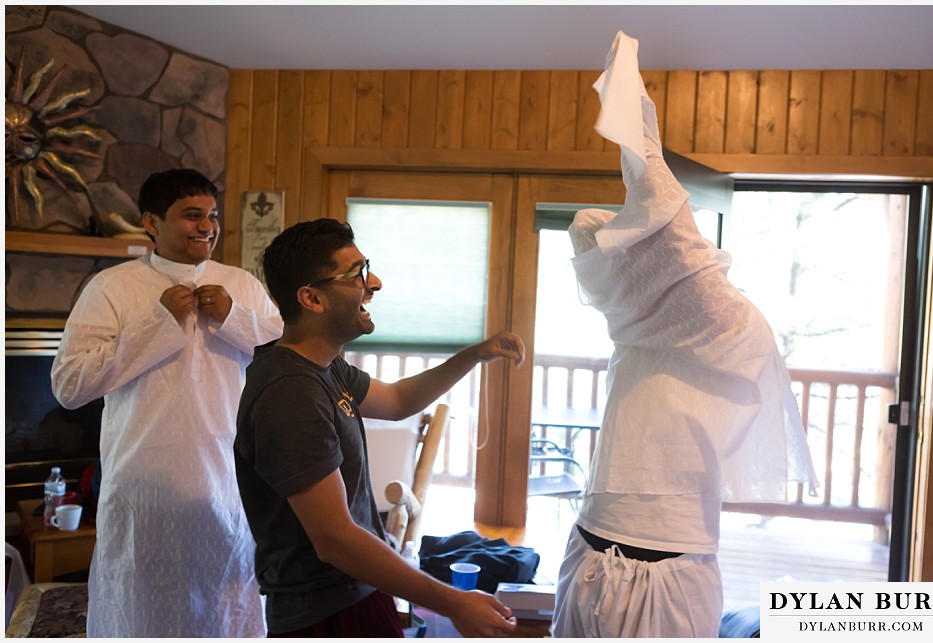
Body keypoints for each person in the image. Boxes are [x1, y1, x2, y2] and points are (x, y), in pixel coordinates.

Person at [551, 32, 820, 638]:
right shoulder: (635, 321)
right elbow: (630, 226)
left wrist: (637, 126)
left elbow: (662, 215)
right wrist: (633, 121)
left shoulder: (728, 324)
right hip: (594, 542)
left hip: (669, 562)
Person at [234, 218, 524, 638]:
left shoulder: (323, 368)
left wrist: (474, 354)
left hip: (356, 594)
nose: (375, 283)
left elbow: (398, 401)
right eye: (357, 274)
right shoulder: (290, 393)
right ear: (311, 298)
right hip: (327, 614)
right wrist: (453, 602)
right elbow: (335, 539)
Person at [51, 168, 283, 637]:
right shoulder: (111, 288)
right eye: (192, 215)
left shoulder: (242, 287)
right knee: (140, 609)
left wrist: (235, 318)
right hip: (143, 490)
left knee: (224, 608)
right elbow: (69, 384)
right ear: (152, 223)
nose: (208, 227)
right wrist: (159, 321)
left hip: (228, 483)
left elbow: (283, 360)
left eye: (213, 216)